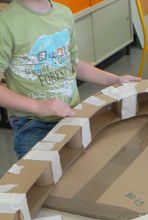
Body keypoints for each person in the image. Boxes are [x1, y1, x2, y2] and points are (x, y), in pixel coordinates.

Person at [0, 0, 140, 159]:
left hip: (71, 115)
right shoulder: (6, 24)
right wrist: (38, 106)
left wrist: (114, 79)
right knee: (41, 180)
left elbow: (73, 64)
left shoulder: (64, 13)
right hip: (32, 125)